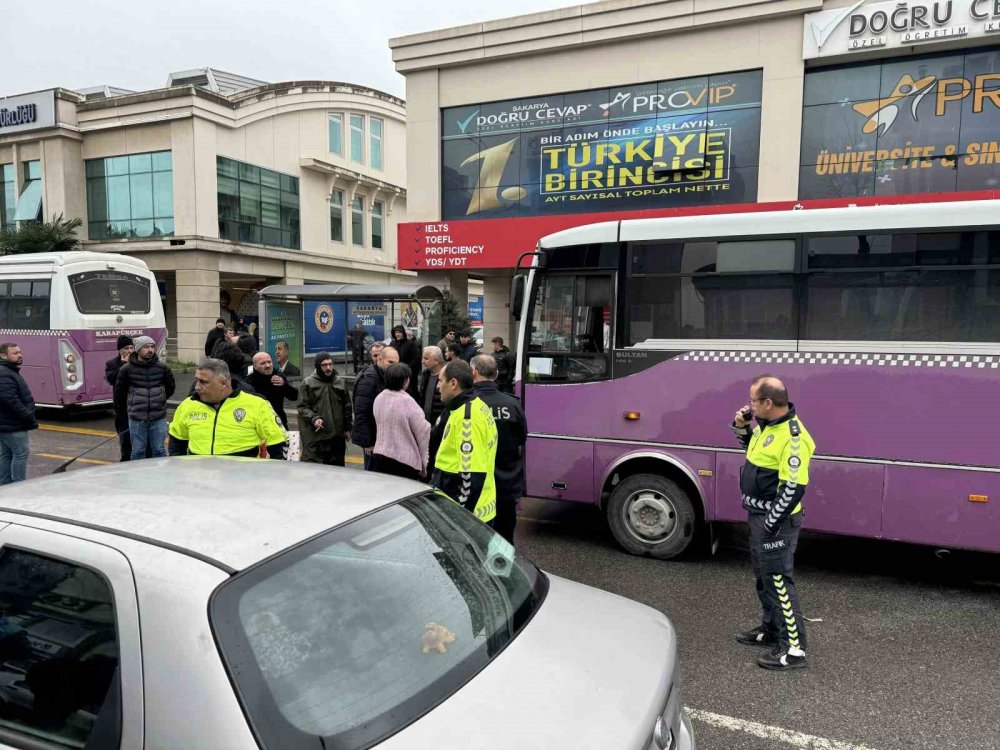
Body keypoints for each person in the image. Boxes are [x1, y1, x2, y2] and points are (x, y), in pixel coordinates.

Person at [732, 375, 816, 672]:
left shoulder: (793, 437)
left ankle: (794, 650)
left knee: (779, 582)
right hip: (760, 517)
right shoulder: (768, 427)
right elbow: (752, 454)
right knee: (765, 579)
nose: (749, 406)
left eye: (753, 401)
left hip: (776, 521)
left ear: (768, 403)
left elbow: (793, 488)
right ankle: (771, 630)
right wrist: (742, 427)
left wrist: (770, 524)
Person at [168, 358, 286, 458]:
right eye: (197, 380)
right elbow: (177, 441)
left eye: (204, 382)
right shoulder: (188, 405)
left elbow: (278, 444)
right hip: (200, 481)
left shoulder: (256, 404)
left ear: (224, 383)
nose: (197, 387)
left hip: (243, 480)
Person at [430, 360, 498, 524]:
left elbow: (471, 477)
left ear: (453, 383)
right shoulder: (473, 405)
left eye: (440, 380)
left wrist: (459, 520)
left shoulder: (466, 418)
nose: (438, 386)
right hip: (479, 509)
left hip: (468, 518)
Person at [471, 354, 527, 544]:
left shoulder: (468, 405)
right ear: (495, 373)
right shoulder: (512, 403)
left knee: (479, 540)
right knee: (504, 540)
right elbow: (522, 438)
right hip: (506, 483)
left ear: (474, 373)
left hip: (477, 486)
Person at [113, 336, 175, 460]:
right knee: (138, 451)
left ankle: (161, 476)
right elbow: (120, 393)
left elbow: (170, 387)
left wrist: (159, 399)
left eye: (152, 347)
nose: (150, 350)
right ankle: (138, 478)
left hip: (158, 417)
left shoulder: (162, 368)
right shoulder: (126, 369)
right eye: (146, 347)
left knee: (159, 450)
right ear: (138, 349)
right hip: (137, 418)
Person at [371, 363, 430, 480]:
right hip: (404, 461)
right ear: (406, 381)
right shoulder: (408, 402)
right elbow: (423, 430)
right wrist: (424, 463)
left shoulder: (379, 398)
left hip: (381, 455)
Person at [297, 352, 353, 466]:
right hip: (317, 436)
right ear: (318, 366)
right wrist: (314, 418)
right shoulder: (308, 383)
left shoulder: (340, 382)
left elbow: (347, 407)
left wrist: (348, 428)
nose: (328, 368)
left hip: (337, 436)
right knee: (316, 469)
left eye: (330, 364)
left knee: (337, 468)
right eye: (324, 365)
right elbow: (302, 407)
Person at [352, 346, 398, 469]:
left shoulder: (385, 376)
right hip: (373, 442)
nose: (394, 366)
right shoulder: (369, 379)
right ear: (379, 360)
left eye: (396, 363)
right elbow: (361, 412)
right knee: (374, 476)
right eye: (390, 362)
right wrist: (368, 444)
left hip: (382, 439)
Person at [0, 344, 37, 485]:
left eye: (20, 352)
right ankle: (19, 486)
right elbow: (8, 399)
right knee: (21, 453)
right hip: (12, 424)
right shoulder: (4, 372)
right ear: (3, 356)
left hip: (7, 423)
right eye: (15, 353)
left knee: (6, 454)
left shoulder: (9, 371)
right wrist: (26, 414)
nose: (20, 355)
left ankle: (5, 485)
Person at [104, 335, 137, 462]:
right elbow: (113, 380)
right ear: (119, 350)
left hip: (136, 405)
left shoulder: (137, 361)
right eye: (126, 348)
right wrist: (123, 365)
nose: (129, 351)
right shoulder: (112, 364)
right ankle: (125, 461)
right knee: (125, 439)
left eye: (131, 347)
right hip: (122, 407)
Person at [247, 352, 299, 429]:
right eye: (263, 363)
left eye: (269, 362)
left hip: (279, 423)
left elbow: (294, 396)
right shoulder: (249, 382)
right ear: (255, 366)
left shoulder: (279, 376)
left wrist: (284, 385)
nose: (267, 365)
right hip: (259, 424)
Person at [389, 324, 421, 398]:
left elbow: (416, 358)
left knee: (410, 392)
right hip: (396, 372)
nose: (397, 334)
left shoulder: (410, 344)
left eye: (399, 332)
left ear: (403, 333)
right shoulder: (392, 343)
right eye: (396, 332)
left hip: (408, 374)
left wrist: (408, 368)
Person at [419, 347, 445, 425]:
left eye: (426, 358)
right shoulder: (425, 375)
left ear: (436, 361)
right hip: (426, 423)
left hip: (440, 424)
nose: (422, 361)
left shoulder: (447, 376)